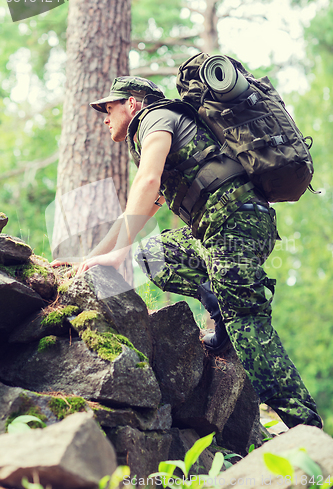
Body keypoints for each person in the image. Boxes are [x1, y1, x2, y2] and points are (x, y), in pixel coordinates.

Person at [53, 75, 322, 430]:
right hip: (217, 230)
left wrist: (116, 253)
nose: (105, 116)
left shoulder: (154, 119)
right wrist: (93, 256)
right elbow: (143, 207)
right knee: (155, 252)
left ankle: (307, 431)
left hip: (236, 224)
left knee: (250, 326)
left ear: (133, 103)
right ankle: (221, 313)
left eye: (110, 107)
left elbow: (147, 182)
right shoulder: (159, 129)